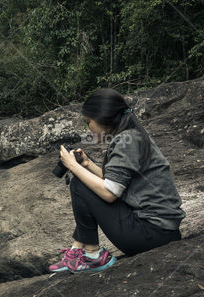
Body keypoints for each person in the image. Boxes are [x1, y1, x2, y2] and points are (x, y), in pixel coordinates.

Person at [48, 88, 185, 273]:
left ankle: (92, 256)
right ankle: (77, 251)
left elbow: (110, 193)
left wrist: (74, 167)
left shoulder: (126, 141)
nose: (88, 129)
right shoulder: (133, 135)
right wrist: (88, 165)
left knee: (79, 184)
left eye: (89, 122)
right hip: (161, 232)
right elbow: (116, 183)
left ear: (103, 117)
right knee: (84, 180)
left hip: (151, 234)